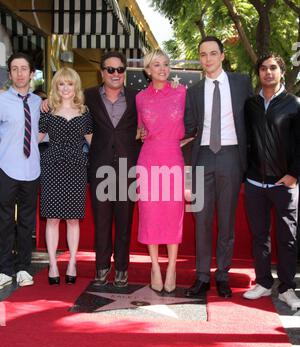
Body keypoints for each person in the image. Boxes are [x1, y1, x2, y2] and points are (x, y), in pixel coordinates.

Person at [184, 36, 253, 298]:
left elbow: (253, 119)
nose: (208, 58)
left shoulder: (241, 82)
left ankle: (223, 275)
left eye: (213, 53)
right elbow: (189, 131)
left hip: (232, 156)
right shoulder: (193, 91)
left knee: (226, 221)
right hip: (202, 157)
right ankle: (202, 276)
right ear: (200, 58)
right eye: (203, 54)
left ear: (222, 56)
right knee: (201, 219)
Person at [243, 54, 300, 310]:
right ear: (259, 73)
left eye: (273, 68)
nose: (268, 72)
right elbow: (247, 140)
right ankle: (264, 283)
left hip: (284, 184)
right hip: (255, 183)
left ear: (281, 72)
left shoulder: (294, 104)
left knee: (288, 239)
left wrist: (294, 175)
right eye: (264, 68)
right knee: (259, 236)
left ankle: (287, 288)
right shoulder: (251, 105)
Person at [85, 51, 140, 287]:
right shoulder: (88, 96)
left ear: (124, 72)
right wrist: (47, 101)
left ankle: (122, 268)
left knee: (125, 220)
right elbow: (65, 103)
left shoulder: (137, 97)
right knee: (102, 220)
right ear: (102, 72)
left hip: (128, 169)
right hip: (100, 168)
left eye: (119, 70)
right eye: (110, 69)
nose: (115, 74)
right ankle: (101, 266)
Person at [136, 49, 186, 293]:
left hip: (173, 158)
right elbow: (139, 130)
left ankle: (172, 267)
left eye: (166, 64)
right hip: (148, 160)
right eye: (156, 65)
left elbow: (192, 127)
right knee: (150, 215)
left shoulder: (182, 94)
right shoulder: (140, 98)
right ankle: (155, 266)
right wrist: (142, 132)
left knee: (173, 214)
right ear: (148, 70)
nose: (162, 69)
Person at [39, 67, 93, 285]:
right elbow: (36, 139)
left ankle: (71, 263)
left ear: (76, 86)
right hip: (51, 167)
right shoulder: (47, 112)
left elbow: (92, 142)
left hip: (77, 168)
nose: (66, 88)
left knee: (72, 219)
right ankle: (53, 264)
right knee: (52, 219)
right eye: (61, 84)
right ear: (56, 87)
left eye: (70, 84)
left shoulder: (84, 112)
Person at [0, 52, 41, 289]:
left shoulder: (39, 103)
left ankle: (24, 267)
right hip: (6, 167)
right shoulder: (2, 100)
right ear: (10, 73)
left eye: (23, 68)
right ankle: (4, 269)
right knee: (4, 221)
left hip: (31, 169)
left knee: (27, 222)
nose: (19, 73)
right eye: (14, 69)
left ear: (31, 73)